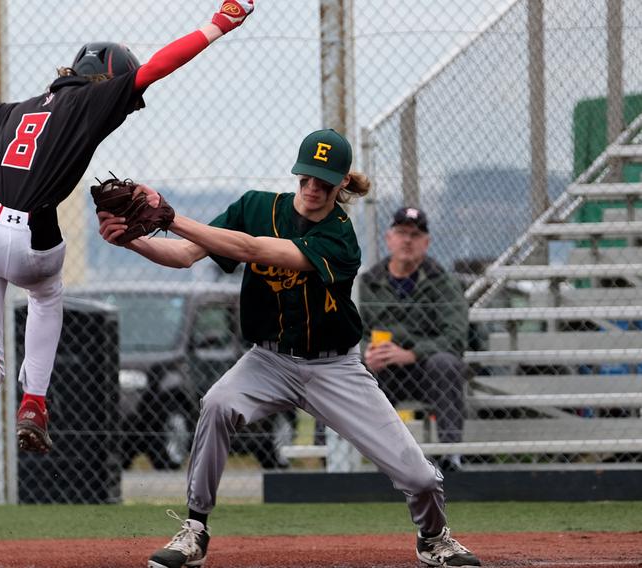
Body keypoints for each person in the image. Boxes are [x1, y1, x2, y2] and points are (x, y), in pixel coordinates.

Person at [0, 1, 255, 454]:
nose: (129, 107)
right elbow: (156, 68)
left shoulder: (8, 111)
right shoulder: (92, 98)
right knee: (46, 293)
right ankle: (34, 400)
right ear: (107, 76)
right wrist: (218, 24)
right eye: (127, 98)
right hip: (29, 235)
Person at [98, 130, 482, 568]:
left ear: (341, 186)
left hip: (334, 367)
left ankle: (433, 537)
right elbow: (185, 255)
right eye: (307, 178)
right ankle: (195, 529)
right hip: (268, 360)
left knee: (419, 477)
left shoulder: (340, 237)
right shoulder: (255, 207)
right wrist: (130, 239)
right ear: (297, 173)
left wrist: (168, 216)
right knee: (218, 404)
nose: (313, 188)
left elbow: (251, 248)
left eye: (324, 181)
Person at [358, 206, 470, 472]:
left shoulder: (443, 283)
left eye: (415, 234)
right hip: (382, 370)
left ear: (426, 242)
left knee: (446, 363)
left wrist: (412, 353)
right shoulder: (366, 283)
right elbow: (349, 332)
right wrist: (366, 352)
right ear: (389, 238)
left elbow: (455, 337)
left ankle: (450, 455)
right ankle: (348, 456)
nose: (407, 240)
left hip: (425, 371)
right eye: (401, 233)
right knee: (343, 368)